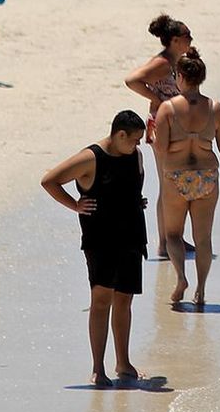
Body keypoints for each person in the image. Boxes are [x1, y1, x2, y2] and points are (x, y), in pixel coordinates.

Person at [40, 111, 149, 387]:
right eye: (134, 140)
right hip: (102, 239)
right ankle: (98, 368)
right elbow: (49, 180)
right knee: (101, 299)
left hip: (132, 236)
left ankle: (123, 363)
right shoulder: (91, 158)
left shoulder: (134, 156)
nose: (138, 146)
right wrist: (74, 204)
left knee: (125, 300)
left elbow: (133, 187)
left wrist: (138, 201)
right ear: (120, 135)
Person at [155, 50, 220, 309]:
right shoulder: (214, 108)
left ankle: (181, 277)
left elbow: (161, 148)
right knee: (203, 239)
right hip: (207, 176)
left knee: (172, 234)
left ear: (180, 76)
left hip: (176, 176)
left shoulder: (167, 109)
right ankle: (201, 291)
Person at [127, 13, 192, 259]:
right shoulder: (163, 62)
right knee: (168, 186)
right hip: (163, 127)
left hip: (174, 126)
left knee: (174, 184)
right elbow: (132, 80)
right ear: (175, 40)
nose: (191, 40)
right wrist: (157, 99)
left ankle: (175, 238)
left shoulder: (175, 61)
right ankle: (165, 243)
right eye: (187, 36)